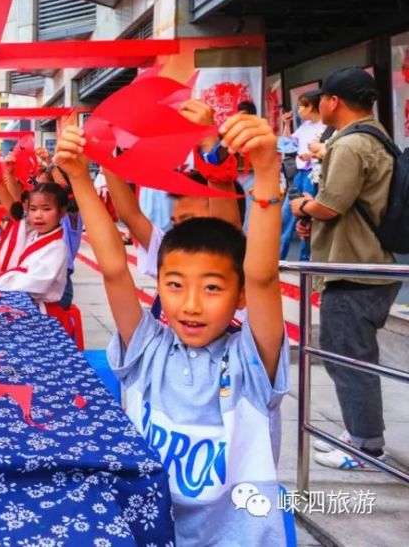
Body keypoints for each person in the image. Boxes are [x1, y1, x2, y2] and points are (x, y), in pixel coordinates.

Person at [57, 114, 289, 547]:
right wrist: (79, 177)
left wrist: (265, 172)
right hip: (151, 533)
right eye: (176, 285)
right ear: (158, 284)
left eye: (212, 288)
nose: (191, 304)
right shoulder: (148, 349)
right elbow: (113, 269)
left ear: (240, 296)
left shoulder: (250, 363)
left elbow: (262, 277)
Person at [289, 67, 399, 470]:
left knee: (348, 359)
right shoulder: (376, 136)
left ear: (333, 101)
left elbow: (330, 205)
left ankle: (366, 446)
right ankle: (360, 433)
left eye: (321, 99)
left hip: (354, 267)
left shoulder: (351, 145)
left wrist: (302, 206)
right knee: (347, 356)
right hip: (365, 262)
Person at [0, 182, 71, 323]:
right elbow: (15, 213)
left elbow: (33, 284)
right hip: (29, 306)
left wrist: (0, 279)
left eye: (46, 209)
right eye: (33, 209)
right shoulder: (34, 234)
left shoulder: (57, 247)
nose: (38, 215)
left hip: (44, 314)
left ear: (62, 211)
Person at [280, 90, 326, 260]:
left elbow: (329, 150)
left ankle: (305, 261)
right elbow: (287, 145)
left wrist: (312, 155)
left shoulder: (326, 127)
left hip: (313, 175)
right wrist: (286, 125)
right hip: (299, 174)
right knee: (286, 216)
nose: (298, 110)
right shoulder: (305, 126)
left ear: (311, 106)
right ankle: (278, 259)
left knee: (307, 220)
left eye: (301, 106)